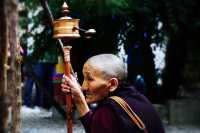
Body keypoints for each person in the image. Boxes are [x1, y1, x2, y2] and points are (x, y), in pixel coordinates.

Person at [61, 54, 165, 133]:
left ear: (112, 84)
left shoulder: (108, 110)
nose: (83, 87)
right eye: (84, 79)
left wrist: (79, 99)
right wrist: (78, 95)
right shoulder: (137, 98)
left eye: (90, 79)